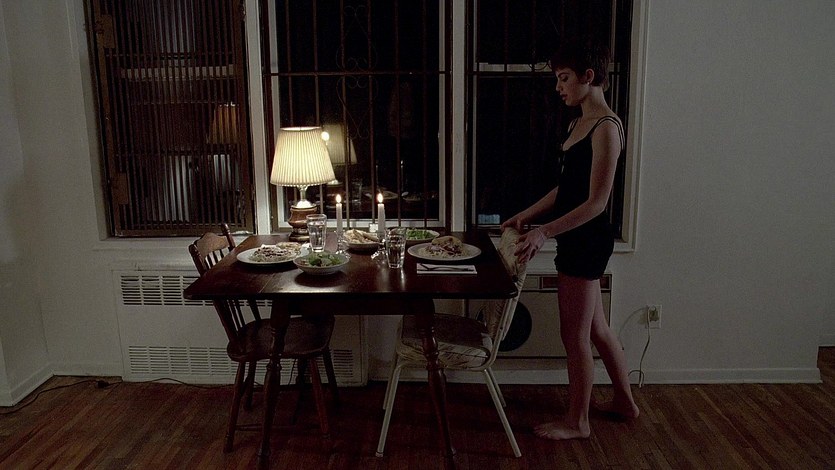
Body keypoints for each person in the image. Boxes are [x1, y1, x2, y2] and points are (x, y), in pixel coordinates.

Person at [501, 36, 639, 440]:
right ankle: (625, 403)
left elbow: (597, 203)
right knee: (597, 329)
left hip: (587, 242)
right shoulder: (577, 124)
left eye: (564, 78)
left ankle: (578, 422)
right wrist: (526, 216)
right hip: (577, 239)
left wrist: (544, 232)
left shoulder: (606, 128)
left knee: (574, 336)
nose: (558, 87)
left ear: (588, 76)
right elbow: (567, 190)